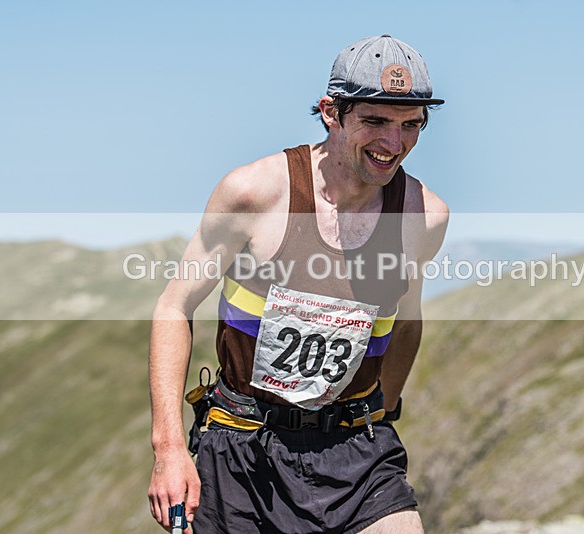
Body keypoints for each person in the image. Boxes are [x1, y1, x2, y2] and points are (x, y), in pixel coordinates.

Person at [148, 34, 449, 533]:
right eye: (375, 121)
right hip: (242, 451)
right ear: (331, 111)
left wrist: (381, 412)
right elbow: (174, 307)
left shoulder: (424, 215)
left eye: (411, 124)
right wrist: (169, 448)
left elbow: (406, 320)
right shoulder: (254, 193)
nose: (394, 144)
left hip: (356, 455)